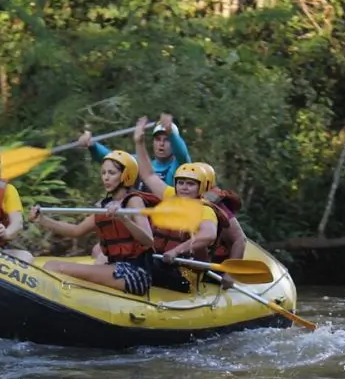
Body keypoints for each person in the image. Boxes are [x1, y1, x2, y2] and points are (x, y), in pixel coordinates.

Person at [28, 150, 156, 295]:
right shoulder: (104, 205)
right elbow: (76, 231)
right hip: (113, 266)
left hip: (134, 273)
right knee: (51, 265)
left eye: (111, 173)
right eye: (103, 173)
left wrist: (124, 219)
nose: (106, 178)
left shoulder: (134, 201)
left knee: (55, 268)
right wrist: (43, 220)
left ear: (126, 175)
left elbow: (148, 240)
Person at [133, 118, 219, 292]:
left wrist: (176, 251)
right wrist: (139, 142)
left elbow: (208, 235)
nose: (184, 188)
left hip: (184, 273)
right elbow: (148, 174)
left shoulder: (205, 210)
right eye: (181, 183)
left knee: (141, 267)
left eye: (190, 184)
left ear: (200, 187)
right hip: (160, 263)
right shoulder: (171, 195)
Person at [77, 112, 191, 191]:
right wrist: (92, 145)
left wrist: (170, 132)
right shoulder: (142, 163)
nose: (161, 144)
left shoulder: (180, 166)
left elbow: (182, 153)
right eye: (157, 139)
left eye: (167, 140)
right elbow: (115, 158)